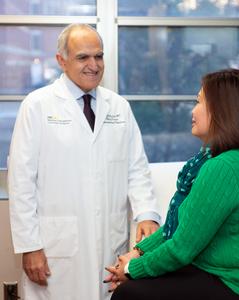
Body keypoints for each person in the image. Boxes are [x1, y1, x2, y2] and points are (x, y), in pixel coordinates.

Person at [8, 23, 160, 300]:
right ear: (61, 61)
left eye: (98, 56)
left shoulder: (119, 107)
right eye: (83, 57)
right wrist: (30, 247)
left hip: (110, 241)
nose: (94, 65)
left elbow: (136, 169)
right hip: (56, 247)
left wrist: (147, 214)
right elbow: (21, 182)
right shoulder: (37, 105)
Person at [105, 69, 239, 300]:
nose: (193, 110)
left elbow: (181, 248)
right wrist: (138, 252)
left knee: (129, 293)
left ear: (224, 111)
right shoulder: (233, 158)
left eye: (199, 102)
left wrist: (131, 270)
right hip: (228, 275)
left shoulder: (223, 167)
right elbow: (183, 227)